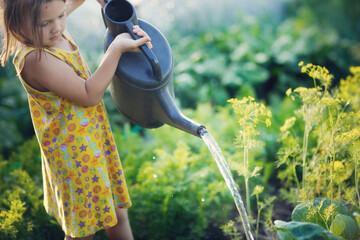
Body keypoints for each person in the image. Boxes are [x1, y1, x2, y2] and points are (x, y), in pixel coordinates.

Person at [0, 0, 152, 239]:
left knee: (117, 213)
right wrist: (116, 49)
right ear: (18, 24)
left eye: (62, 16)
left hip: (93, 142)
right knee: (83, 231)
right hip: (73, 156)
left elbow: (68, 5)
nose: (57, 27)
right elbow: (88, 94)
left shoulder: (48, 22)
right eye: (46, 23)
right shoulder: (36, 58)